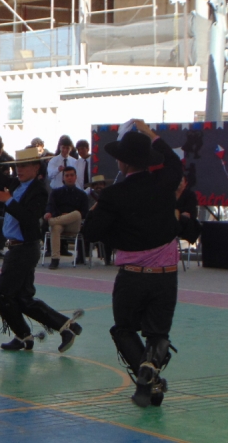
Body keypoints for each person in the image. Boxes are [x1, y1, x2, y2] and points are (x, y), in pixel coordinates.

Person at [83, 121, 189, 407]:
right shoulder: (166, 183)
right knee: (158, 332)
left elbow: (91, 233)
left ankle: (147, 378)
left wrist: (100, 211)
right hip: (166, 275)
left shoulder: (114, 194)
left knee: (124, 329)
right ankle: (150, 372)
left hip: (132, 275)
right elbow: (174, 161)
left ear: (122, 161)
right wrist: (152, 134)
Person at [0, 147, 84, 352]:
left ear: (35, 167)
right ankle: (65, 326)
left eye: (23, 166)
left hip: (25, 248)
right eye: (16, 166)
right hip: (16, 248)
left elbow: (30, 218)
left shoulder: (39, 190)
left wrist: (9, 200)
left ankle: (23, 335)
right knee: (22, 299)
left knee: (2, 294)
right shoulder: (16, 184)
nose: (18, 170)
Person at [44, 167, 89, 270]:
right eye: (67, 175)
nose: (69, 178)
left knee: (77, 214)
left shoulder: (82, 195)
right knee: (55, 228)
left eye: (72, 175)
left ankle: (52, 222)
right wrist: (53, 214)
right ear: (63, 178)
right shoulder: (55, 193)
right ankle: (55, 259)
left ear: (76, 177)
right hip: (60, 223)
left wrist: (68, 216)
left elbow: (84, 213)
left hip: (74, 224)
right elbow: (50, 206)